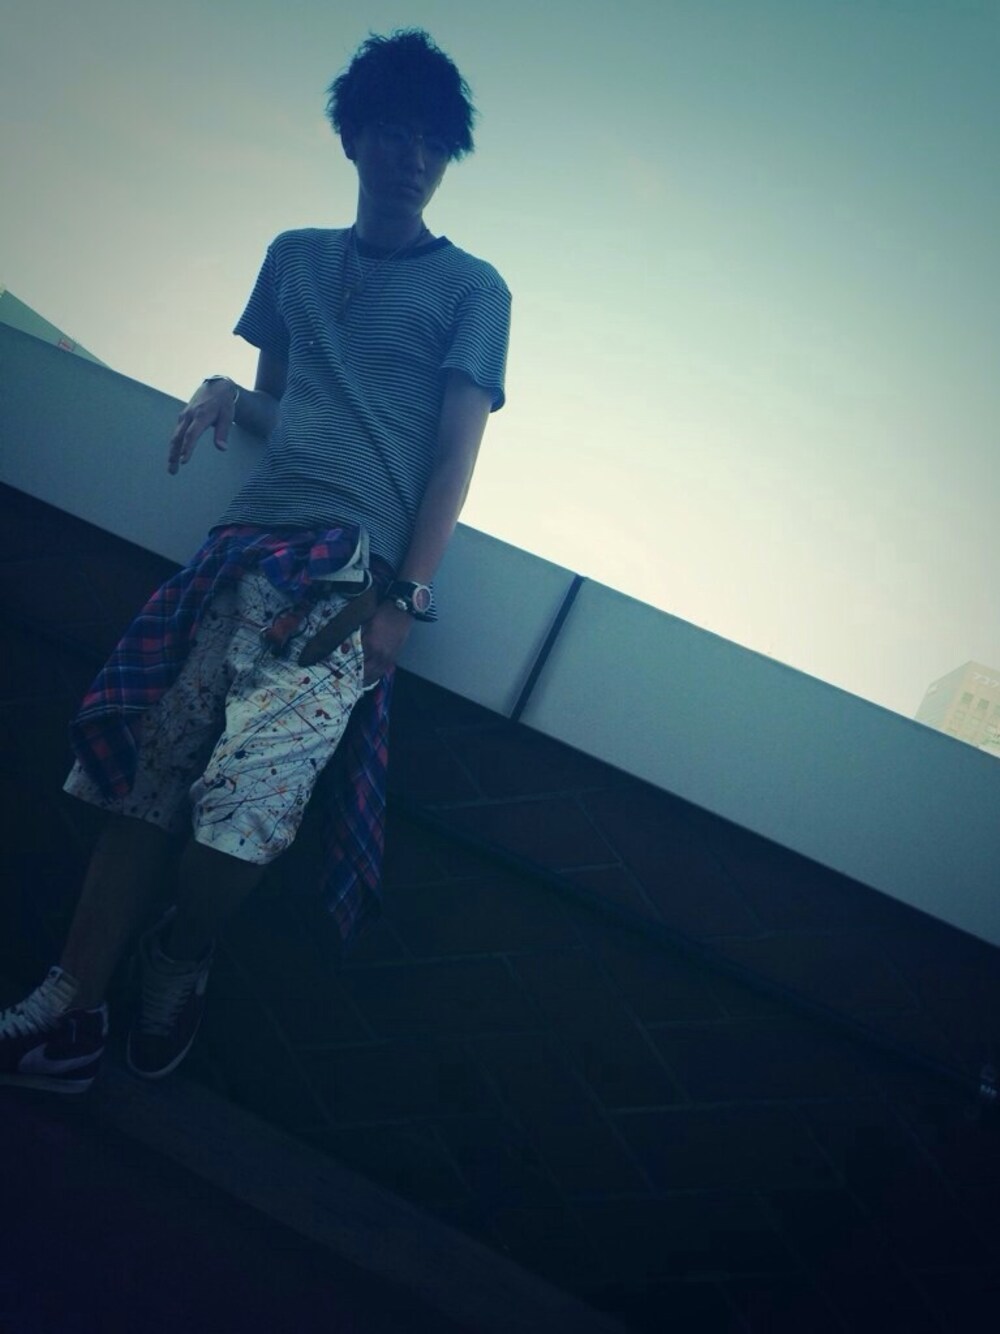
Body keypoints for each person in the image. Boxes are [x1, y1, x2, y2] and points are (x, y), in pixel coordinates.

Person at [0, 29, 510, 1094]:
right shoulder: (294, 258)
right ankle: (71, 1002)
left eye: (433, 141)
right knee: (149, 778)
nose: (413, 157)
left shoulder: (473, 289)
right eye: (394, 132)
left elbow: (454, 455)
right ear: (352, 137)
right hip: (240, 550)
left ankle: (180, 952)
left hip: (344, 582)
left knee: (246, 818)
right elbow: (287, 409)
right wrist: (228, 390)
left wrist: (404, 599)